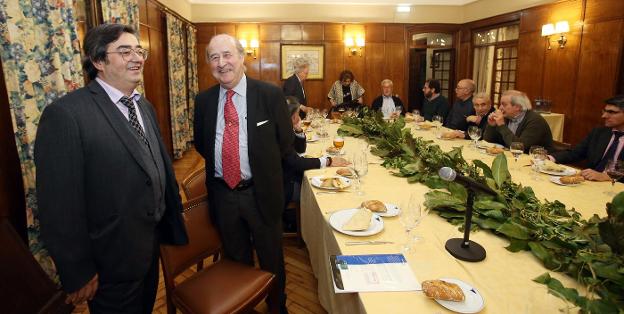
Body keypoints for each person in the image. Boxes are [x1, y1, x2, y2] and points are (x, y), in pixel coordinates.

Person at [35, 24, 188, 313]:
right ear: (98, 61)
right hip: (109, 259)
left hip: (148, 246)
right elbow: (58, 205)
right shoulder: (66, 115)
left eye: (139, 50)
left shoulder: (144, 107)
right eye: (125, 50)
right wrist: (78, 270)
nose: (137, 57)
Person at [193, 34, 292, 313]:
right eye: (214, 57)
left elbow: (284, 144)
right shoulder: (204, 100)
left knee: (272, 260)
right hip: (224, 195)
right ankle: (243, 306)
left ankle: (277, 307)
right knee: (236, 260)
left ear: (242, 57)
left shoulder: (270, 95)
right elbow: (202, 143)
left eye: (227, 55)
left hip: (261, 195)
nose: (221, 63)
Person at [282, 96, 349, 231]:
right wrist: (328, 161)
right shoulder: (280, 133)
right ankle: (312, 227)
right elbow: (296, 163)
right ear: (291, 115)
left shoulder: (285, 127)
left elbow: (301, 149)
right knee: (318, 189)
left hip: (286, 175)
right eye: (296, 114)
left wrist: (298, 129)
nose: (299, 117)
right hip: (283, 186)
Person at [551, 95, 624, 181]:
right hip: (590, 183)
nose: (604, 116)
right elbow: (575, 153)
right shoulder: (599, 132)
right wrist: (550, 158)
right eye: (604, 111)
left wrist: (607, 177)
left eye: (611, 112)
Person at [483, 90, 554, 152]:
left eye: (504, 104)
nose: (500, 107)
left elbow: (519, 147)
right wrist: (491, 126)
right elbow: (488, 140)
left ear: (517, 107)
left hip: (538, 162)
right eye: (500, 104)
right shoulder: (506, 117)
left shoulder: (535, 121)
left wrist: (502, 126)